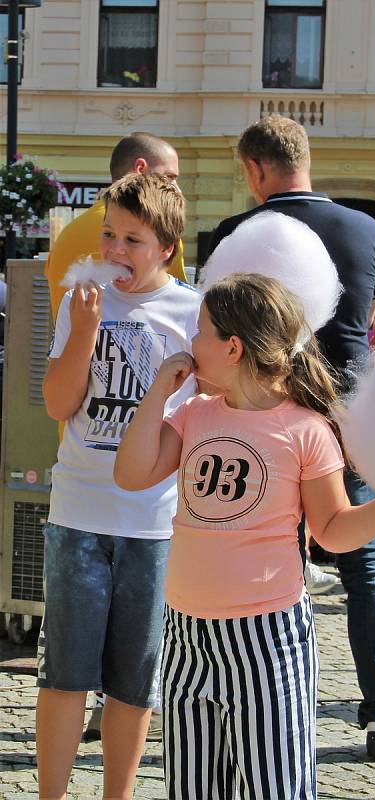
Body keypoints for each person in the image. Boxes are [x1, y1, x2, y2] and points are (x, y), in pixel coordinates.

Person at [114, 273, 375, 799]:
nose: (191, 343)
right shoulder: (193, 412)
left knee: (274, 785)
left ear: (232, 348)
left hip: (268, 641)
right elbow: (131, 473)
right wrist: (160, 389)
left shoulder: (305, 429)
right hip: (186, 635)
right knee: (194, 787)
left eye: (200, 331)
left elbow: (332, 530)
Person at [207, 115, 375, 758]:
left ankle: (246, 697)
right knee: (363, 564)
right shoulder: (364, 229)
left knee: (251, 550)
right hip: (346, 412)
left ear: (254, 170)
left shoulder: (237, 233)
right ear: (305, 158)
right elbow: (370, 316)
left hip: (262, 416)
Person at [35, 172, 201, 800]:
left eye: (133, 239)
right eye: (109, 234)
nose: (114, 251)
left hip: (154, 521)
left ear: (166, 246)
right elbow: (56, 403)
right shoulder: (80, 297)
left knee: (135, 681)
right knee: (65, 674)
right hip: (77, 511)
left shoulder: (191, 311)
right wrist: (82, 333)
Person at [46, 131, 186, 320]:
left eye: (132, 240)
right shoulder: (158, 233)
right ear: (140, 168)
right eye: (169, 177)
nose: (175, 188)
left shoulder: (68, 232)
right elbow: (176, 308)